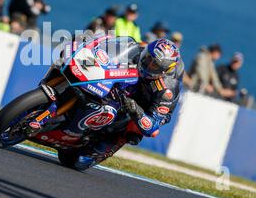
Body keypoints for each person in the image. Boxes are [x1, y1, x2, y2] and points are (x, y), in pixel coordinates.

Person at [61, 38, 184, 170]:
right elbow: (111, 47)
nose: (148, 65)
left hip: (145, 107)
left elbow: (152, 128)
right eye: (148, 58)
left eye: (154, 65)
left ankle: (101, 149)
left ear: (164, 70)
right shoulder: (141, 50)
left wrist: (135, 109)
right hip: (129, 86)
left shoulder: (166, 91)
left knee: (132, 132)